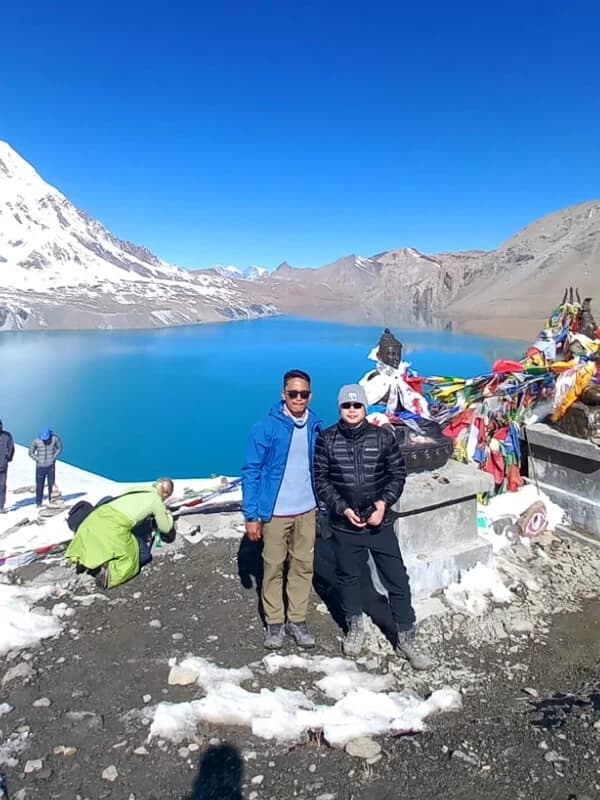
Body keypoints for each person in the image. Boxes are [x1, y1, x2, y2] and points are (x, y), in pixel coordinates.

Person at [314, 384, 433, 670]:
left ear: (365, 408)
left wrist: (382, 504)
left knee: (397, 579)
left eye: (357, 405)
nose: (352, 410)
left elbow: (397, 475)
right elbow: (321, 480)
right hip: (345, 525)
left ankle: (406, 635)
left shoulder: (383, 437)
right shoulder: (326, 440)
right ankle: (354, 626)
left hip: (379, 523)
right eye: (346, 406)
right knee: (349, 577)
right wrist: (341, 508)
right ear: (339, 408)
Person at [242, 369, 322, 650]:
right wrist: (252, 515)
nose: (298, 399)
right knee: (273, 567)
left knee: (302, 566)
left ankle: (297, 620)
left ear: (310, 396)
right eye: (293, 393)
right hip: (275, 512)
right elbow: (251, 470)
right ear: (283, 395)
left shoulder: (314, 424)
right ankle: (274, 623)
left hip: (307, 510)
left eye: (303, 394)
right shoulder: (265, 427)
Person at [65, 478, 176, 589]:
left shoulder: (136, 489)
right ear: (165, 493)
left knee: (108, 538)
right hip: (114, 526)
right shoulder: (156, 500)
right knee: (140, 555)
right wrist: (168, 515)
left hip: (94, 519)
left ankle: (83, 558)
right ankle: (108, 576)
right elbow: (165, 527)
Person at [29, 428, 63, 507]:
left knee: (51, 484)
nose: (45, 440)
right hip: (40, 467)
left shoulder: (55, 439)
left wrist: (53, 457)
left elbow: (60, 448)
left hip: (51, 466)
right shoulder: (36, 441)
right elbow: (30, 452)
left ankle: (52, 501)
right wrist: (38, 459)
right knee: (39, 485)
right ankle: (38, 503)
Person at [0, 420, 15, 514]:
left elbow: (11, 448)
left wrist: (8, 458)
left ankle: (0, 506)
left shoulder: (7, 436)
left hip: (3, 466)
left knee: (1, 486)